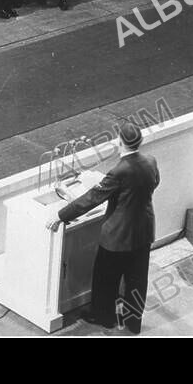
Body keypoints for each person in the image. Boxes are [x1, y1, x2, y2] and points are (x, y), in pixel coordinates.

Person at [47, 123, 160, 334]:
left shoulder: (119, 171)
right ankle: (133, 322)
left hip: (118, 236)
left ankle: (104, 316)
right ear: (140, 142)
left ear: (120, 142)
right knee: (137, 279)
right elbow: (154, 183)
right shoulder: (151, 162)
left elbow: (91, 199)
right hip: (143, 231)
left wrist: (60, 215)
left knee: (106, 278)